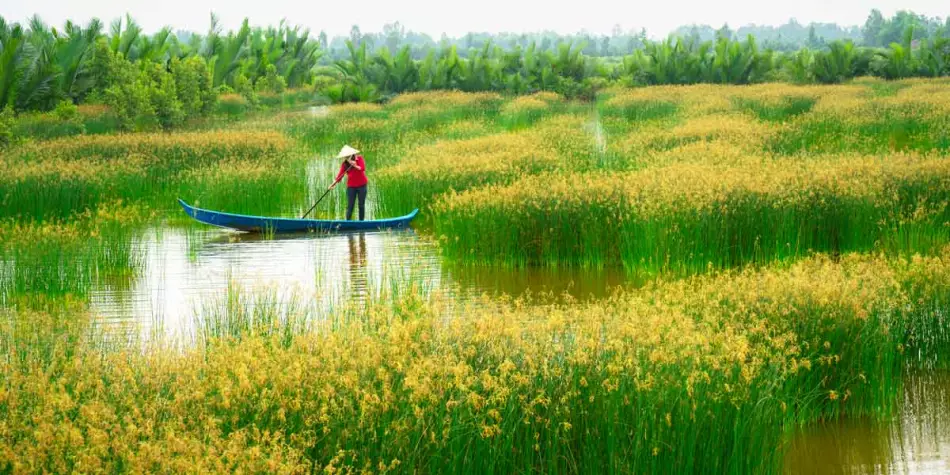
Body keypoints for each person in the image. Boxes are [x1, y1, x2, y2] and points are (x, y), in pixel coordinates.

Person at [328, 145, 368, 221]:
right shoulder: (344, 165)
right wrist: (332, 185)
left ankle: (361, 222)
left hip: (362, 185)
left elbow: (362, 169)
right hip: (351, 187)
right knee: (350, 206)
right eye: (345, 157)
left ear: (352, 155)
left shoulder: (359, 159)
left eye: (348, 156)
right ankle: (347, 222)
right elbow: (339, 176)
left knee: (361, 205)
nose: (346, 158)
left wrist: (355, 165)